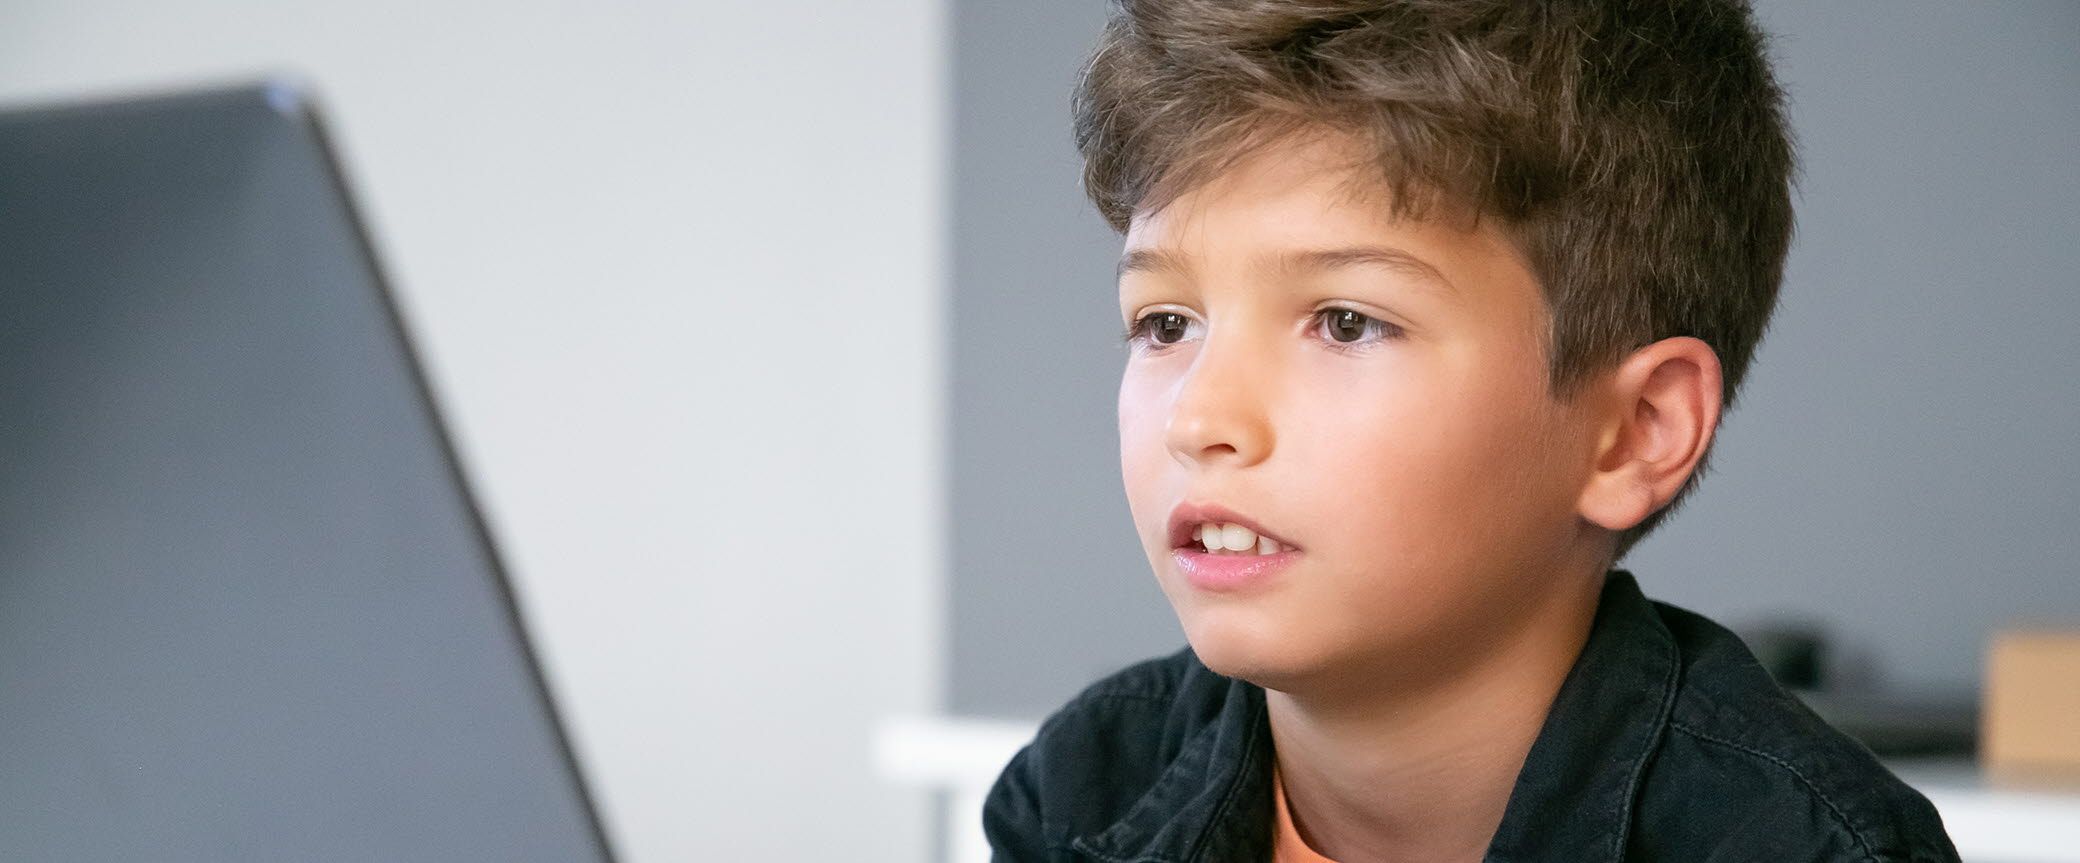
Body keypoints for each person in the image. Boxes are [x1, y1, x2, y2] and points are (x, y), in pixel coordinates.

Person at [979, 1, 1960, 861]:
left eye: (1346, 321)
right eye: (1164, 323)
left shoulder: (1806, 842)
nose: (1199, 416)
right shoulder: (1077, 791)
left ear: (1633, 431)